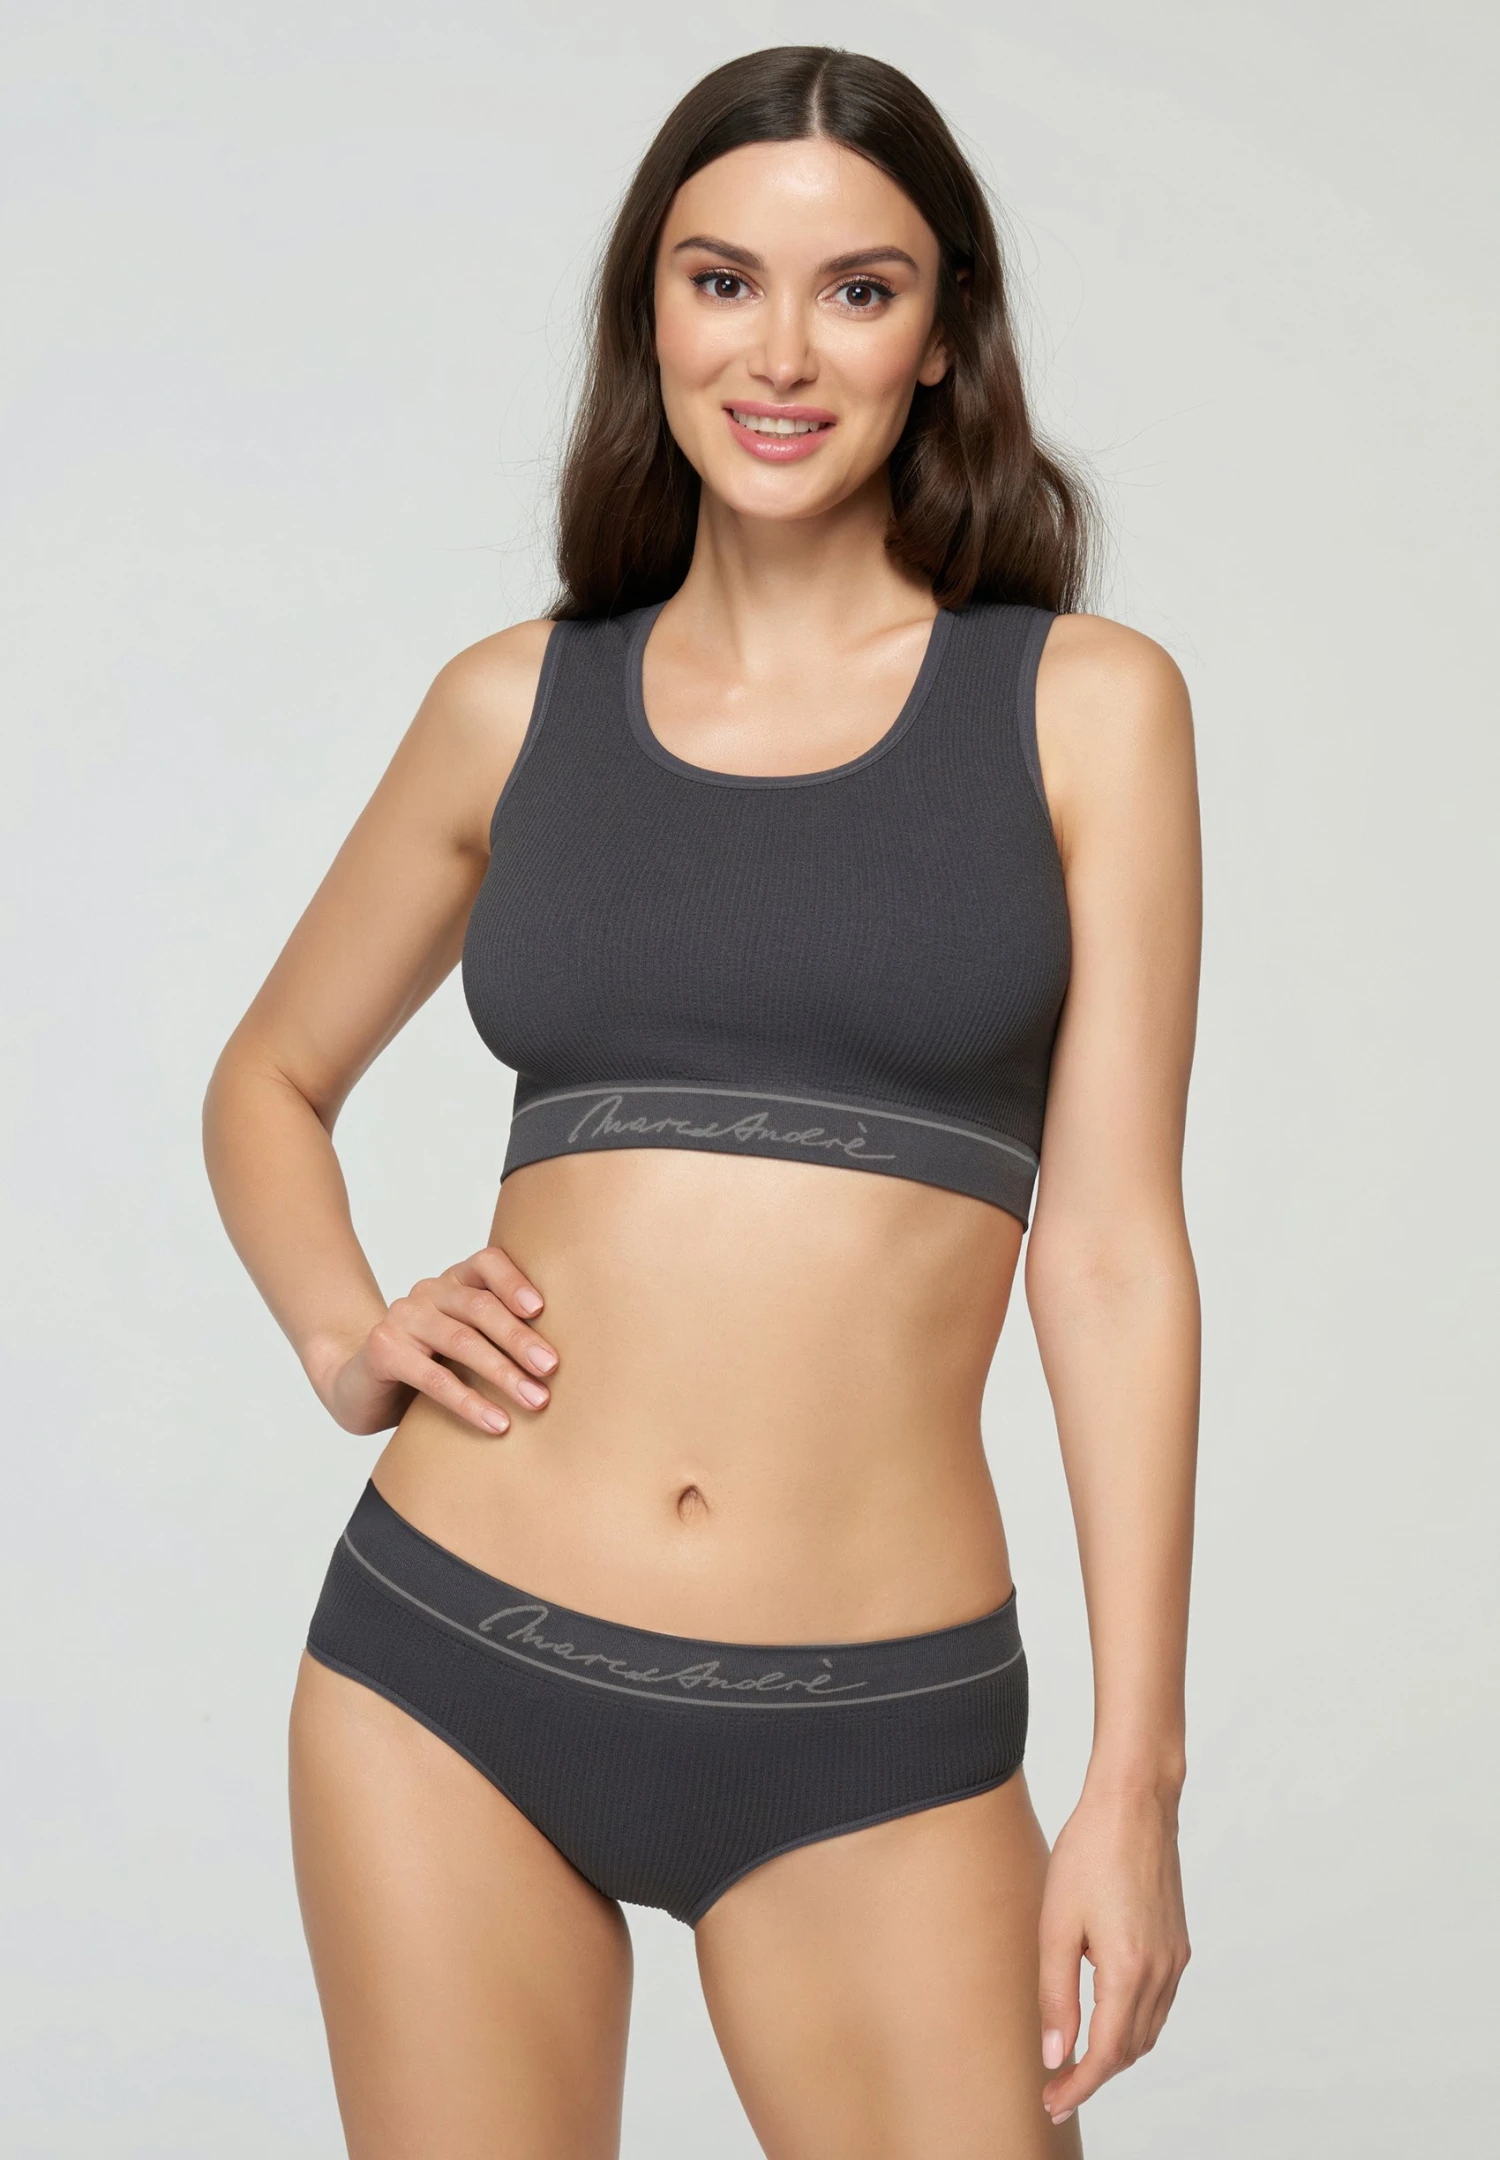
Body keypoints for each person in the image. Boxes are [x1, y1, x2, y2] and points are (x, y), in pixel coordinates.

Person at [203, 43, 1200, 2159]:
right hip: (444, 1675)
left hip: (874, 1729)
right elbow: (268, 1079)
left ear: (944, 336)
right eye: (722, 279)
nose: (781, 353)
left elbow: (1112, 1255)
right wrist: (343, 1333)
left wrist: (1134, 1779)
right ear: (648, 309)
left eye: (860, 291)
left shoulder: (1084, 712)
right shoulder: (512, 703)